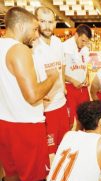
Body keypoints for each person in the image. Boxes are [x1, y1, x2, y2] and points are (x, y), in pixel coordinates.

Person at [0, 7, 58, 181]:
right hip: (26, 126)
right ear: (21, 25)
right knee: (34, 179)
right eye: (34, 29)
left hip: (5, 122)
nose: (36, 34)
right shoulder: (19, 50)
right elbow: (32, 95)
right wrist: (52, 78)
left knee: (11, 173)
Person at [33, 6, 70, 157]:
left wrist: (64, 88)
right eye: (43, 21)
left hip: (61, 104)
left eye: (50, 22)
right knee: (49, 152)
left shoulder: (57, 42)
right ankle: (48, 180)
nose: (47, 26)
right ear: (36, 22)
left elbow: (61, 65)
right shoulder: (32, 46)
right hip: (45, 108)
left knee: (64, 146)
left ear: (55, 23)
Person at [63, 24, 92, 129]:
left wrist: (87, 77)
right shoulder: (65, 48)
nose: (84, 44)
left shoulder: (85, 49)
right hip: (70, 88)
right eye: (82, 40)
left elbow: (86, 66)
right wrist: (72, 80)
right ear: (76, 35)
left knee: (85, 118)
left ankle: (80, 140)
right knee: (69, 121)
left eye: (86, 41)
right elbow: (59, 72)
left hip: (83, 88)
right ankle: (69, 142)